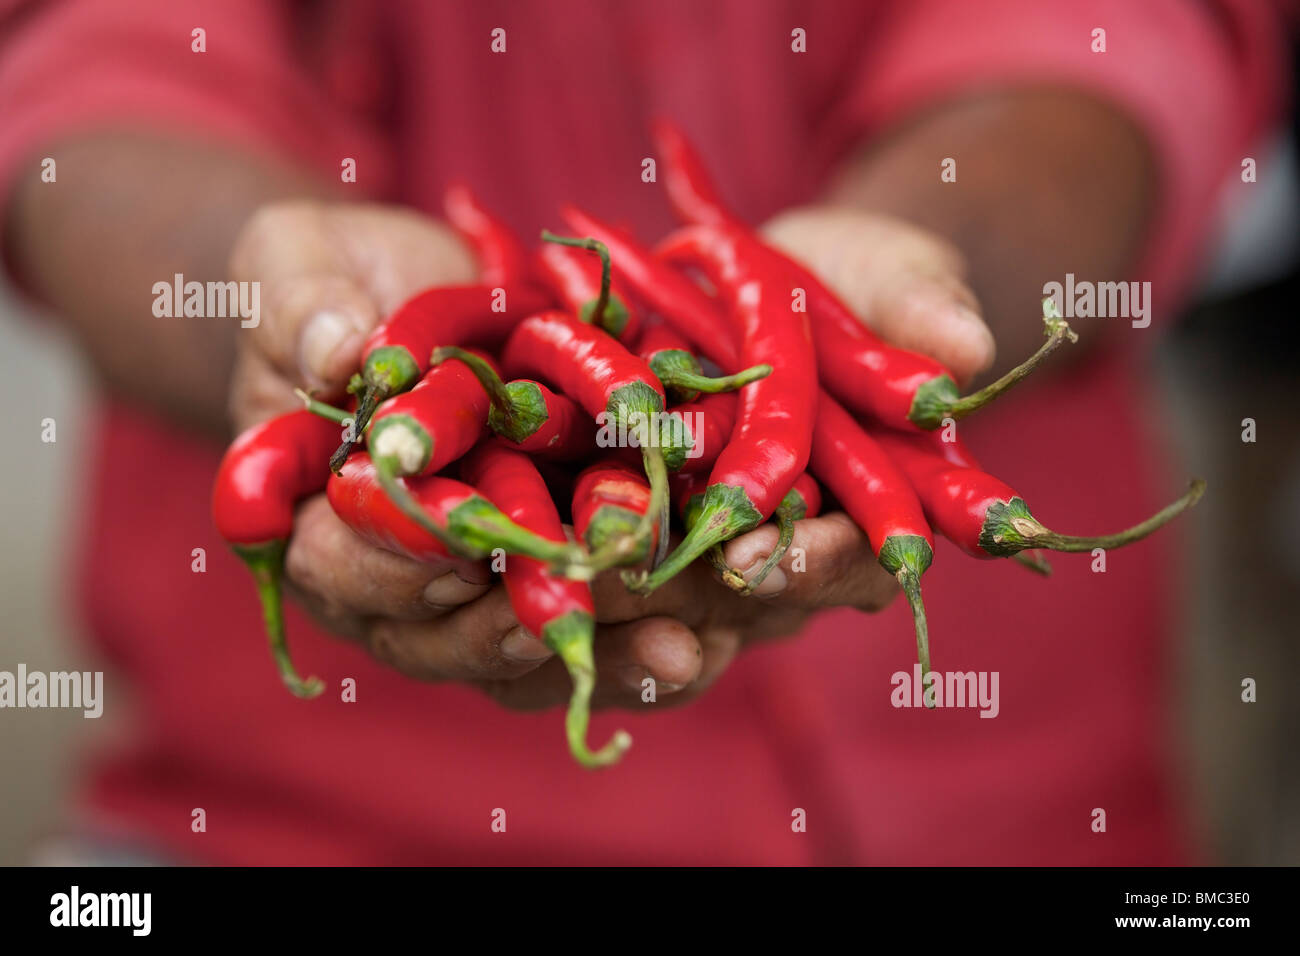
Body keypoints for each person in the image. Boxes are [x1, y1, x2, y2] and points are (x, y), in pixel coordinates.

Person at [0, 0, 1284, 865]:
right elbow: (95, 51)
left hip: (1023, 819)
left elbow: (1109, 28)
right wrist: (270, 303)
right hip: (284, 828)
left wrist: (924, 283)